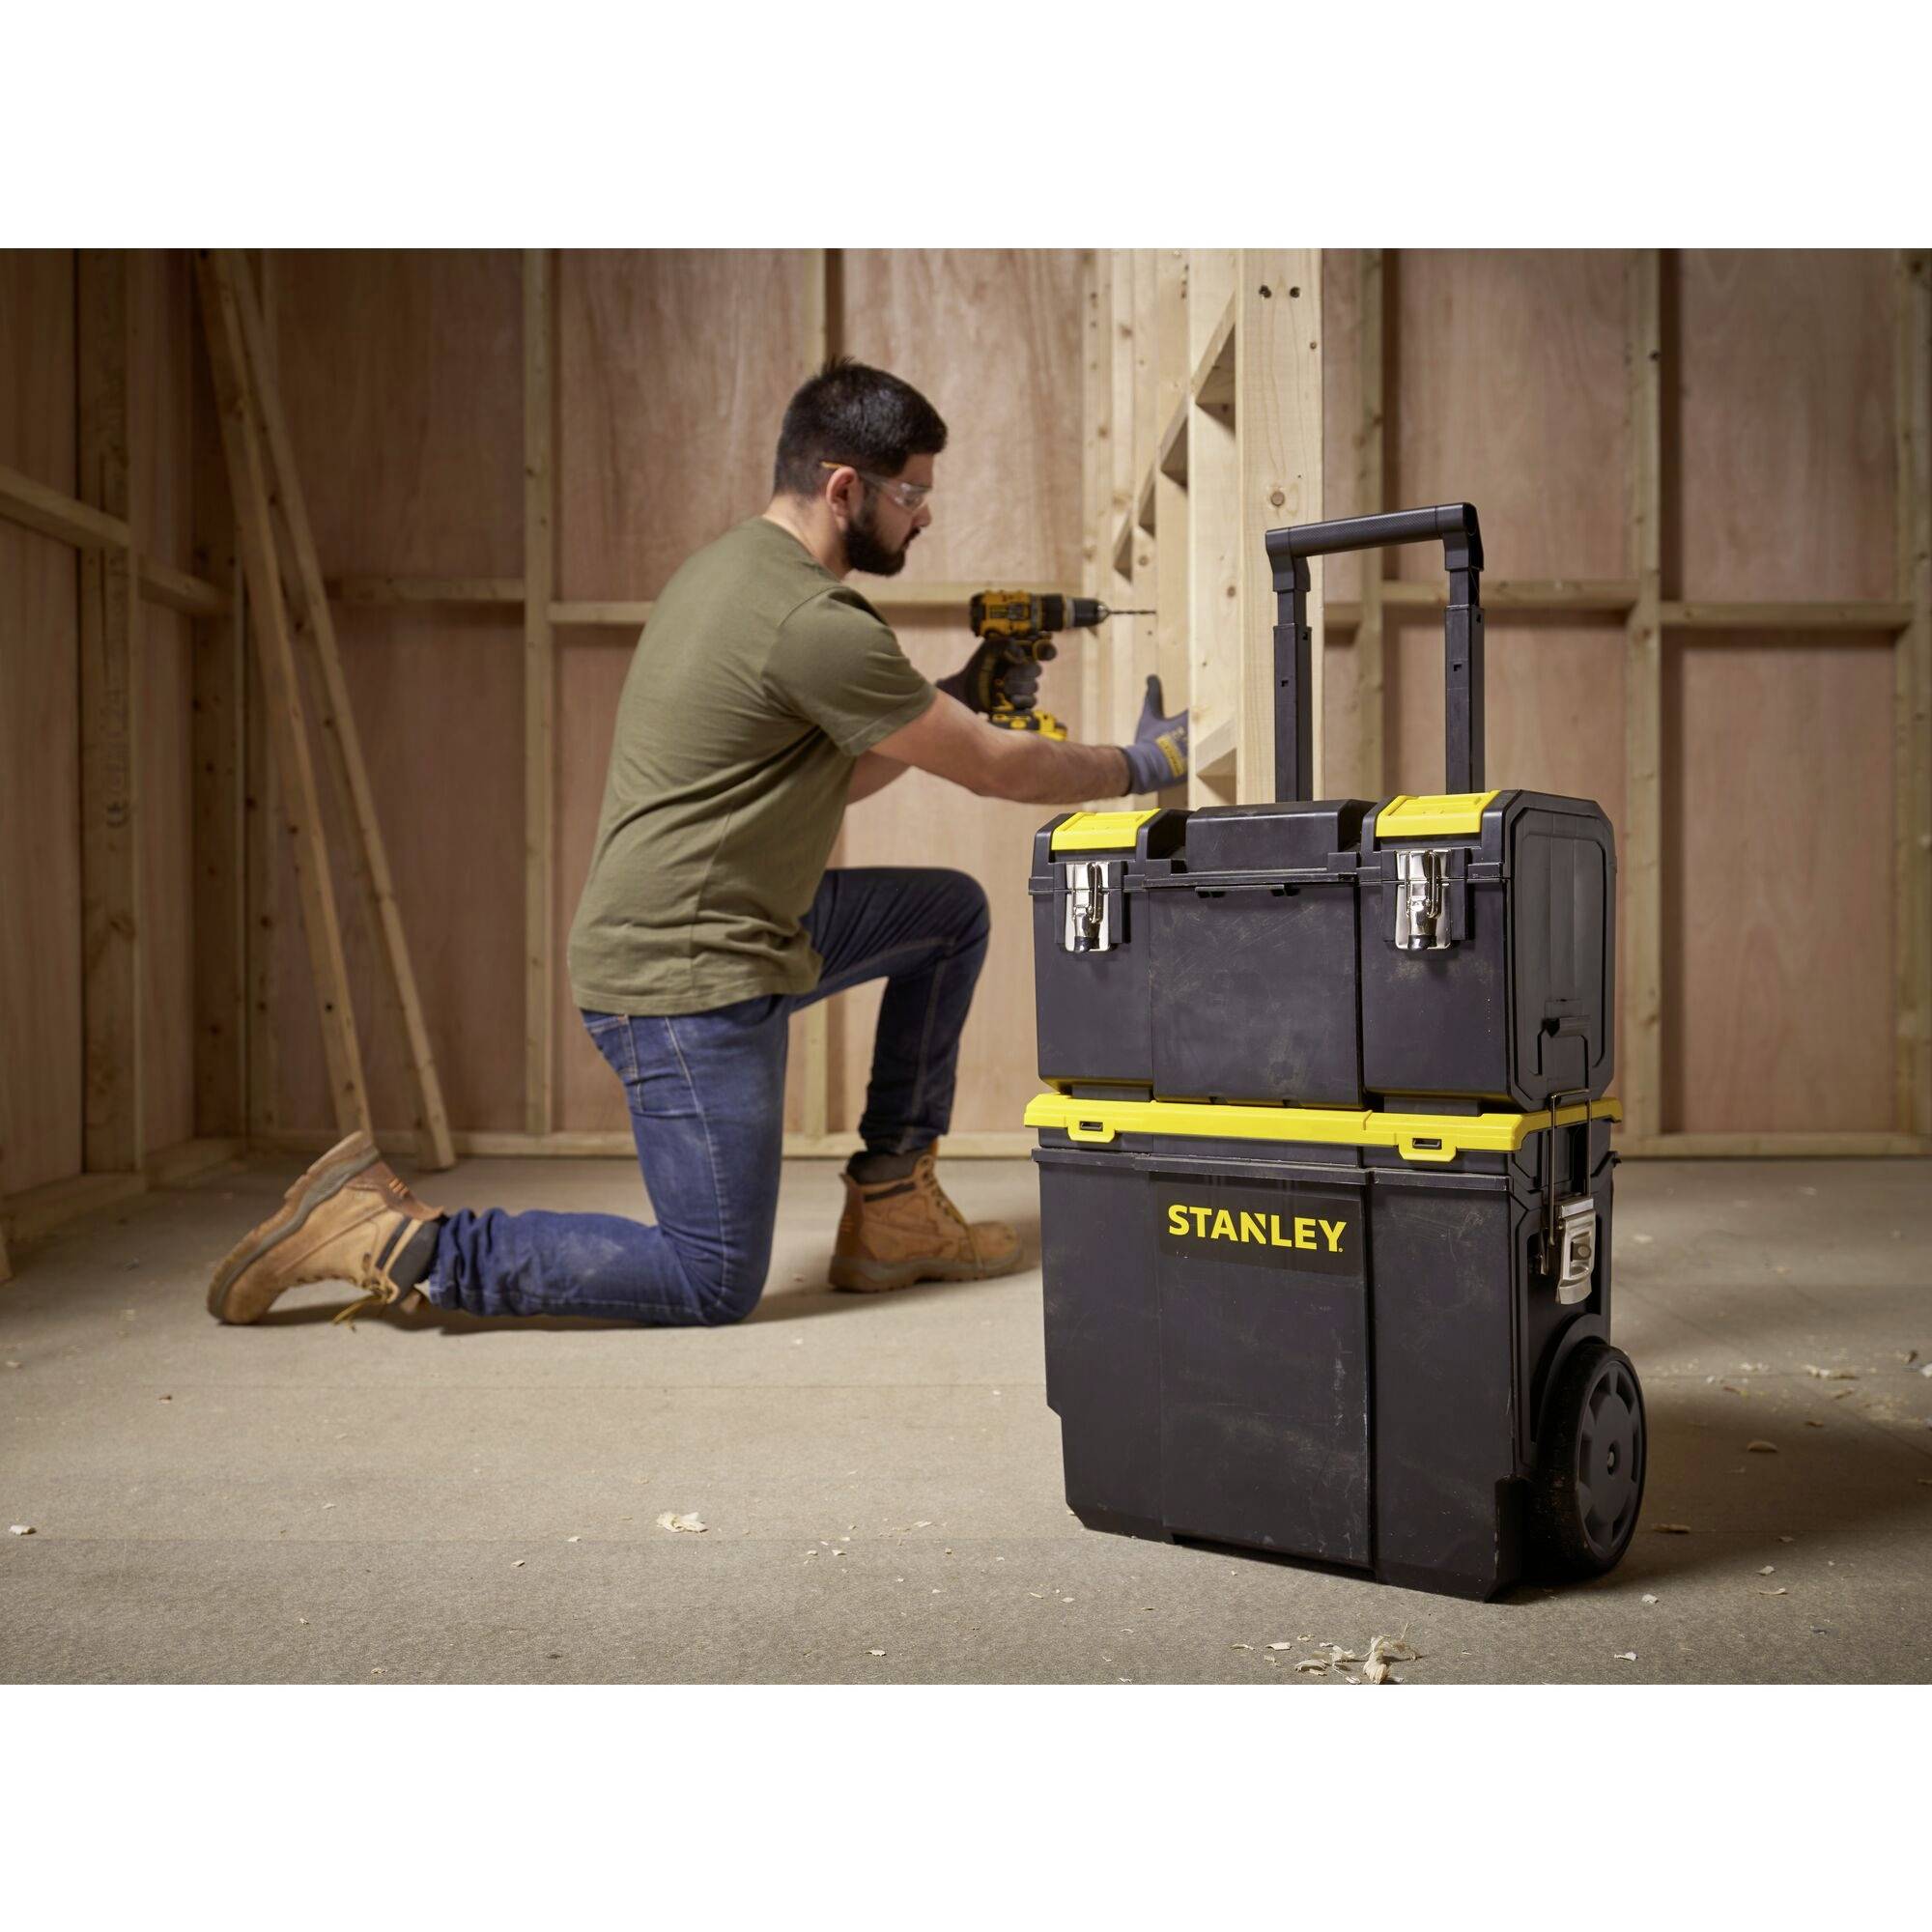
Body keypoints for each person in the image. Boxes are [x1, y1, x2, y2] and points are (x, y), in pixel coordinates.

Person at [207, 357, 1188, 1329]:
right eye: (910, 494)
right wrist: (1143, 765)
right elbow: (995, 768)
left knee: (944, 915)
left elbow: (835, 773)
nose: (923, 517)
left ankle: (893, 1209)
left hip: (735, 924)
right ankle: (401, 1241)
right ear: (844, 489)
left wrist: (958, 696)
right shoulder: (811, 619)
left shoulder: (726, 572)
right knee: (707, 1276)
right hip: (686, 975)